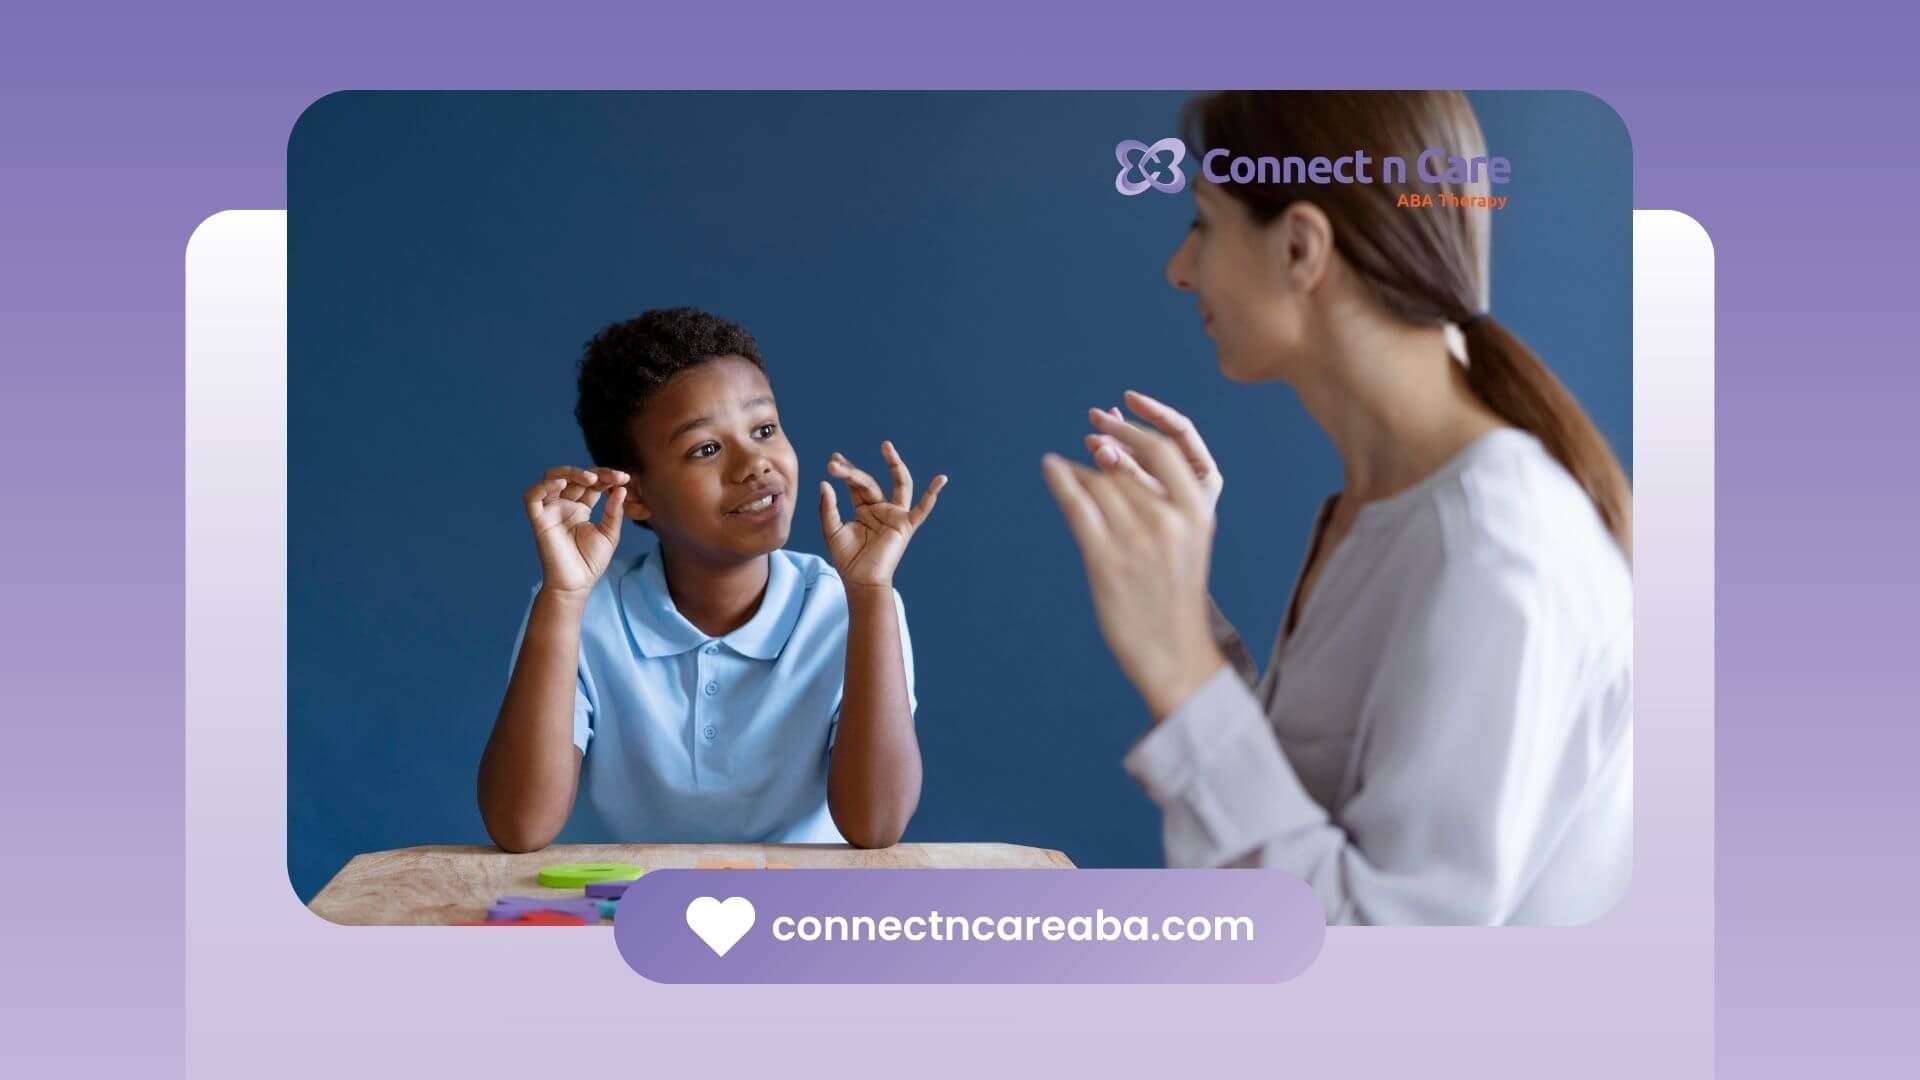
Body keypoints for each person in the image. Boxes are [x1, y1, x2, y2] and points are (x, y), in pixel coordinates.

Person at [1042, 92, 1632, 925]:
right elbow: (1313, 821)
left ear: (1299, 247)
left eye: (1204, 224)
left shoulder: (1491, 548)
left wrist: (1178, 666)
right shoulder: (1384, 514)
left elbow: (1385, 963)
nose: (1180, 268)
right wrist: (1187, 615)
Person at [479, 307, 945, 852]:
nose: (755, 463)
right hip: (628, 912)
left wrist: (870, 596)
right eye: (706, 449)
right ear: (637, 496)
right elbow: (519, 827)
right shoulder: (580, 612)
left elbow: (876, 826)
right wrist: (562, 596)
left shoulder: (849, 604)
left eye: (764, 429)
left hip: (805, 919)